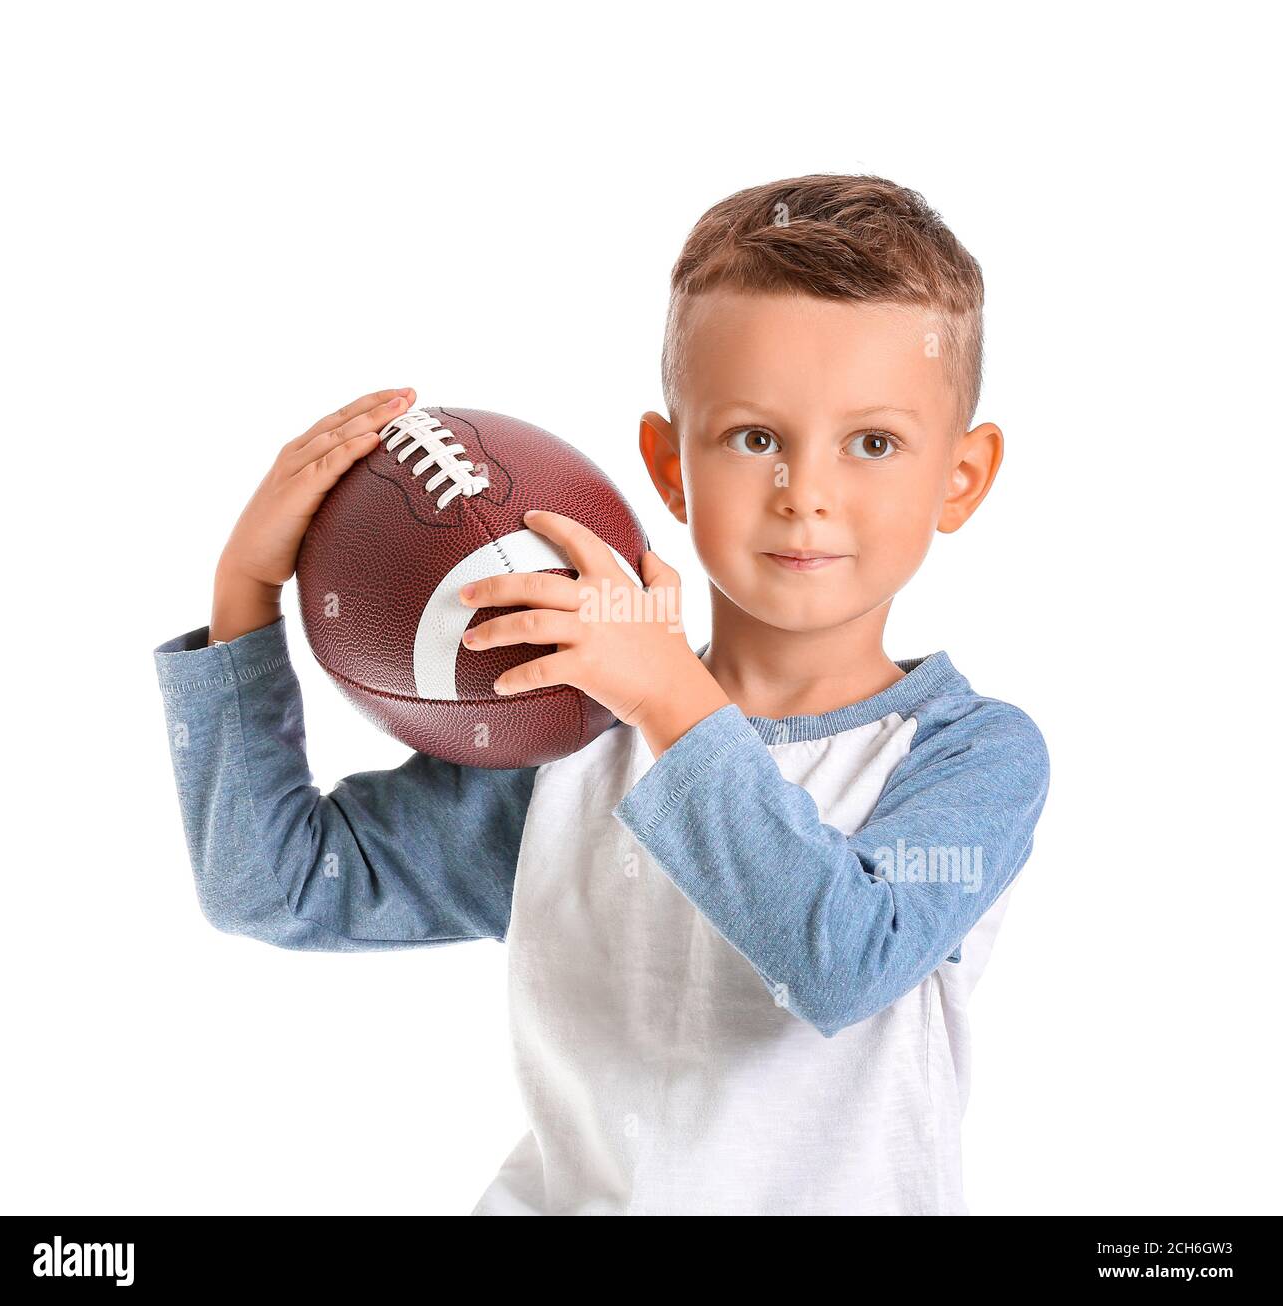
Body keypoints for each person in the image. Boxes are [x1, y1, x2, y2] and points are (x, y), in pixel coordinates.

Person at [154, 174, 1050, 1215]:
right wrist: (245, 599)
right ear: (668, 468)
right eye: (754, 437)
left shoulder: (973, 753)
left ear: (962, 476)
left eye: (874, 443)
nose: (806, 491)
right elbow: (274, 884)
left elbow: (840, 962)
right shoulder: (563, 731)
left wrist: (668, 695)